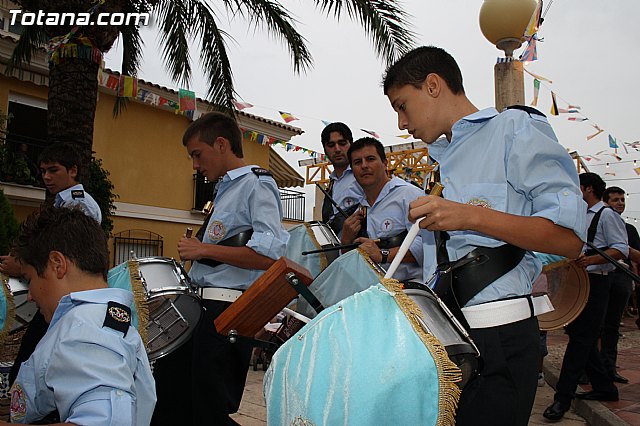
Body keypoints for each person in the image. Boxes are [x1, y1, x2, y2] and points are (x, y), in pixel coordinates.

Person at [383, 46, 586, 426]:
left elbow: (568, 240)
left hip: (501, 336)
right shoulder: (439, 159)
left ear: (432, 85)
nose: (401, 122)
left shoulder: (514, 130)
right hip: (447, 334)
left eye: (402, 106)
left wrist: (469, 216)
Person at [151, 112, 289, 425]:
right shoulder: (224, 190)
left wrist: (203, 249)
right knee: (171, 400)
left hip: (224, 310)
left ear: (222, 144)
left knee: (208, 410)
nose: (195, 165)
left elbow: (269, 255)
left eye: (198, 154)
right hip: (200, 309)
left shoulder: (256, 184)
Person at [1, 207, 155, 425]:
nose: (30, 296)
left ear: (57, 265)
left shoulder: (86, 327)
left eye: (30, 279)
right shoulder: (99, 320)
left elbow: (105, 422)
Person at [1, 142, 102, 386]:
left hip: (65, 298)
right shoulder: (62, 202)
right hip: (60, 297)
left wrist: (22, 265)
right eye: (43, 170)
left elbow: (67, 257)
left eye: (53, 170)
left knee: (29, 366)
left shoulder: (78, 205)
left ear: (73, 171)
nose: (46, 177)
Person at [544, 173, 627, 420]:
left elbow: (620, 249)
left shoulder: (607, 215)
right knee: (581, 336)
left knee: (580, 339)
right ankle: (605, 387)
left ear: (587, 189)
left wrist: (590, 260)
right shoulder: (580, 215)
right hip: (577, 281)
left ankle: (562, 399)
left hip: (597, 281)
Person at [340, 137, 425, 282]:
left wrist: (384, 255)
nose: (364, 166)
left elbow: (427, 243)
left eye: (370, 159)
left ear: (385, 163)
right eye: (357, 162)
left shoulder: (408, 195)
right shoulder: (357, 211)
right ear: (352, 171)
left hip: (410, 288)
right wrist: (346, 242)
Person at [600, 186, 640, 384]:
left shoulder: (629, 229)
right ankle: (589, 369)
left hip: (620, 277)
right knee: (595, 325)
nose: (620, 203)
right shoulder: (598, 222)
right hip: (600, 276)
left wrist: (623, 247)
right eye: (615, 200)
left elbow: (637, 256)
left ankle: (609, 368)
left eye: (622, 200)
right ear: (606, 202)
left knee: (612, 326)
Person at [320, 122, 364, 235]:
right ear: (325, 150)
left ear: (351, 144)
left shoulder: (364, 174)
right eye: (331, 145)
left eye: (342, 143)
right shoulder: (332, 183)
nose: (337, 149)